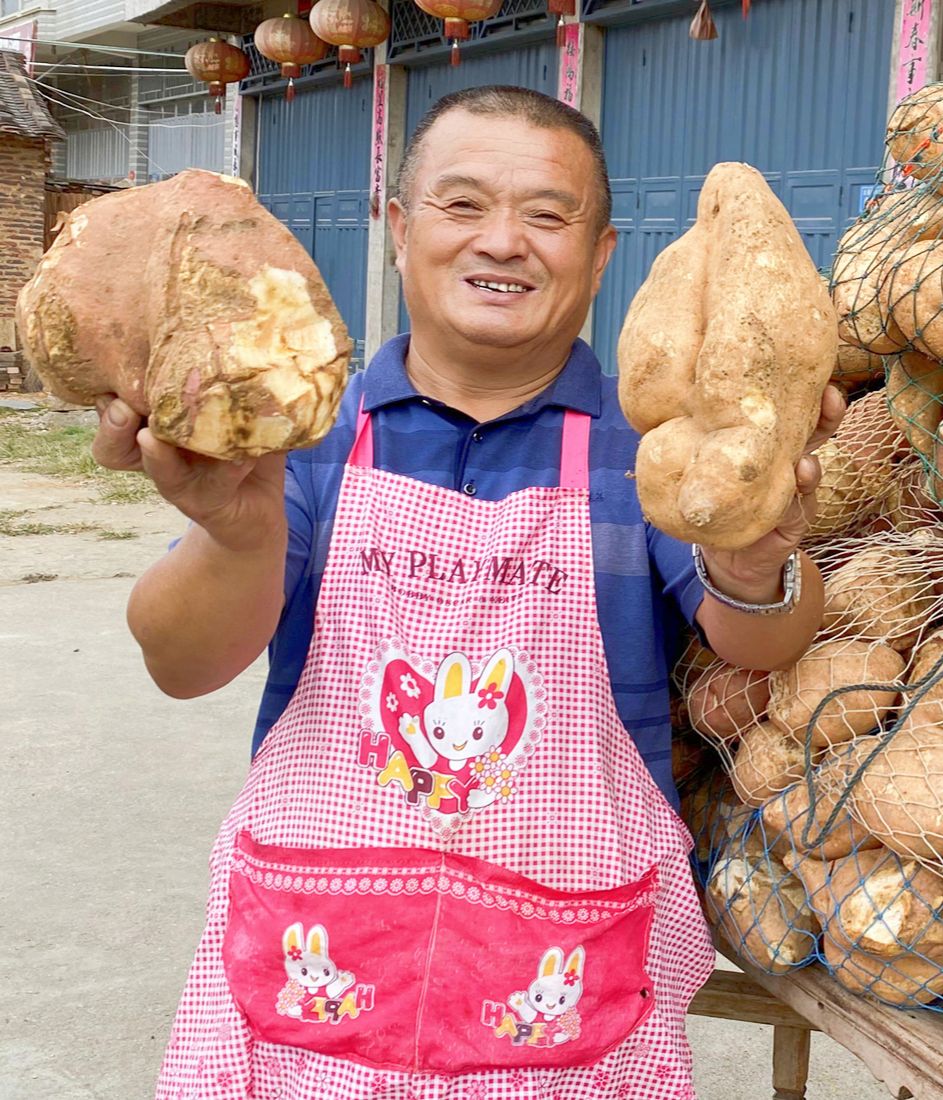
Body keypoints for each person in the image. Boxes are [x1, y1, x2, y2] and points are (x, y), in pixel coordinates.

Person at [93, 85, 840, 1100]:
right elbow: (183, 661)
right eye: (462, 205)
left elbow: (761, 644)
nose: (503, 242)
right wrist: (235, 530)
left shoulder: (649, 450)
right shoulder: (306, 438)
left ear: (603, 250)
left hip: (564, 984)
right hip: (316, 983)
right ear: (399, 229)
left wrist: (756, 564)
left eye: (546, 214)